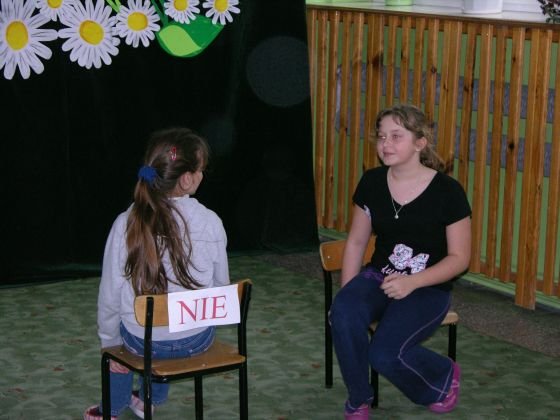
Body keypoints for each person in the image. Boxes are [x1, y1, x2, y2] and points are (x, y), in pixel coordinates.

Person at [329, 104, 471, 419]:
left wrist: (412, 282)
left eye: (396, 136)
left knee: (384, 354)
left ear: (420, 142)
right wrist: (349, 294)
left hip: (428, 287)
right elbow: (356, 242)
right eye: (381, 136)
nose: (385, 144)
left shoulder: (448, 192)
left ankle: (442, 374)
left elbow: (460, 259)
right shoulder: (372, 182)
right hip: (379, 277)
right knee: (343, 312)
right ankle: (359, 398)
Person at [84, 127, 229, 419]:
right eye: (201, 170)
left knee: (126, 324)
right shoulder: (211, 221)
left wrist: (109, 344)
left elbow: (110, 294)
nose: (202, 175)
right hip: (197, 341)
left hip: (141, 343)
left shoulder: (125, 222)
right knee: (166, 320)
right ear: (186, 179)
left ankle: (112, 407)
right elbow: (221, 288)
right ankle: (149, 398)